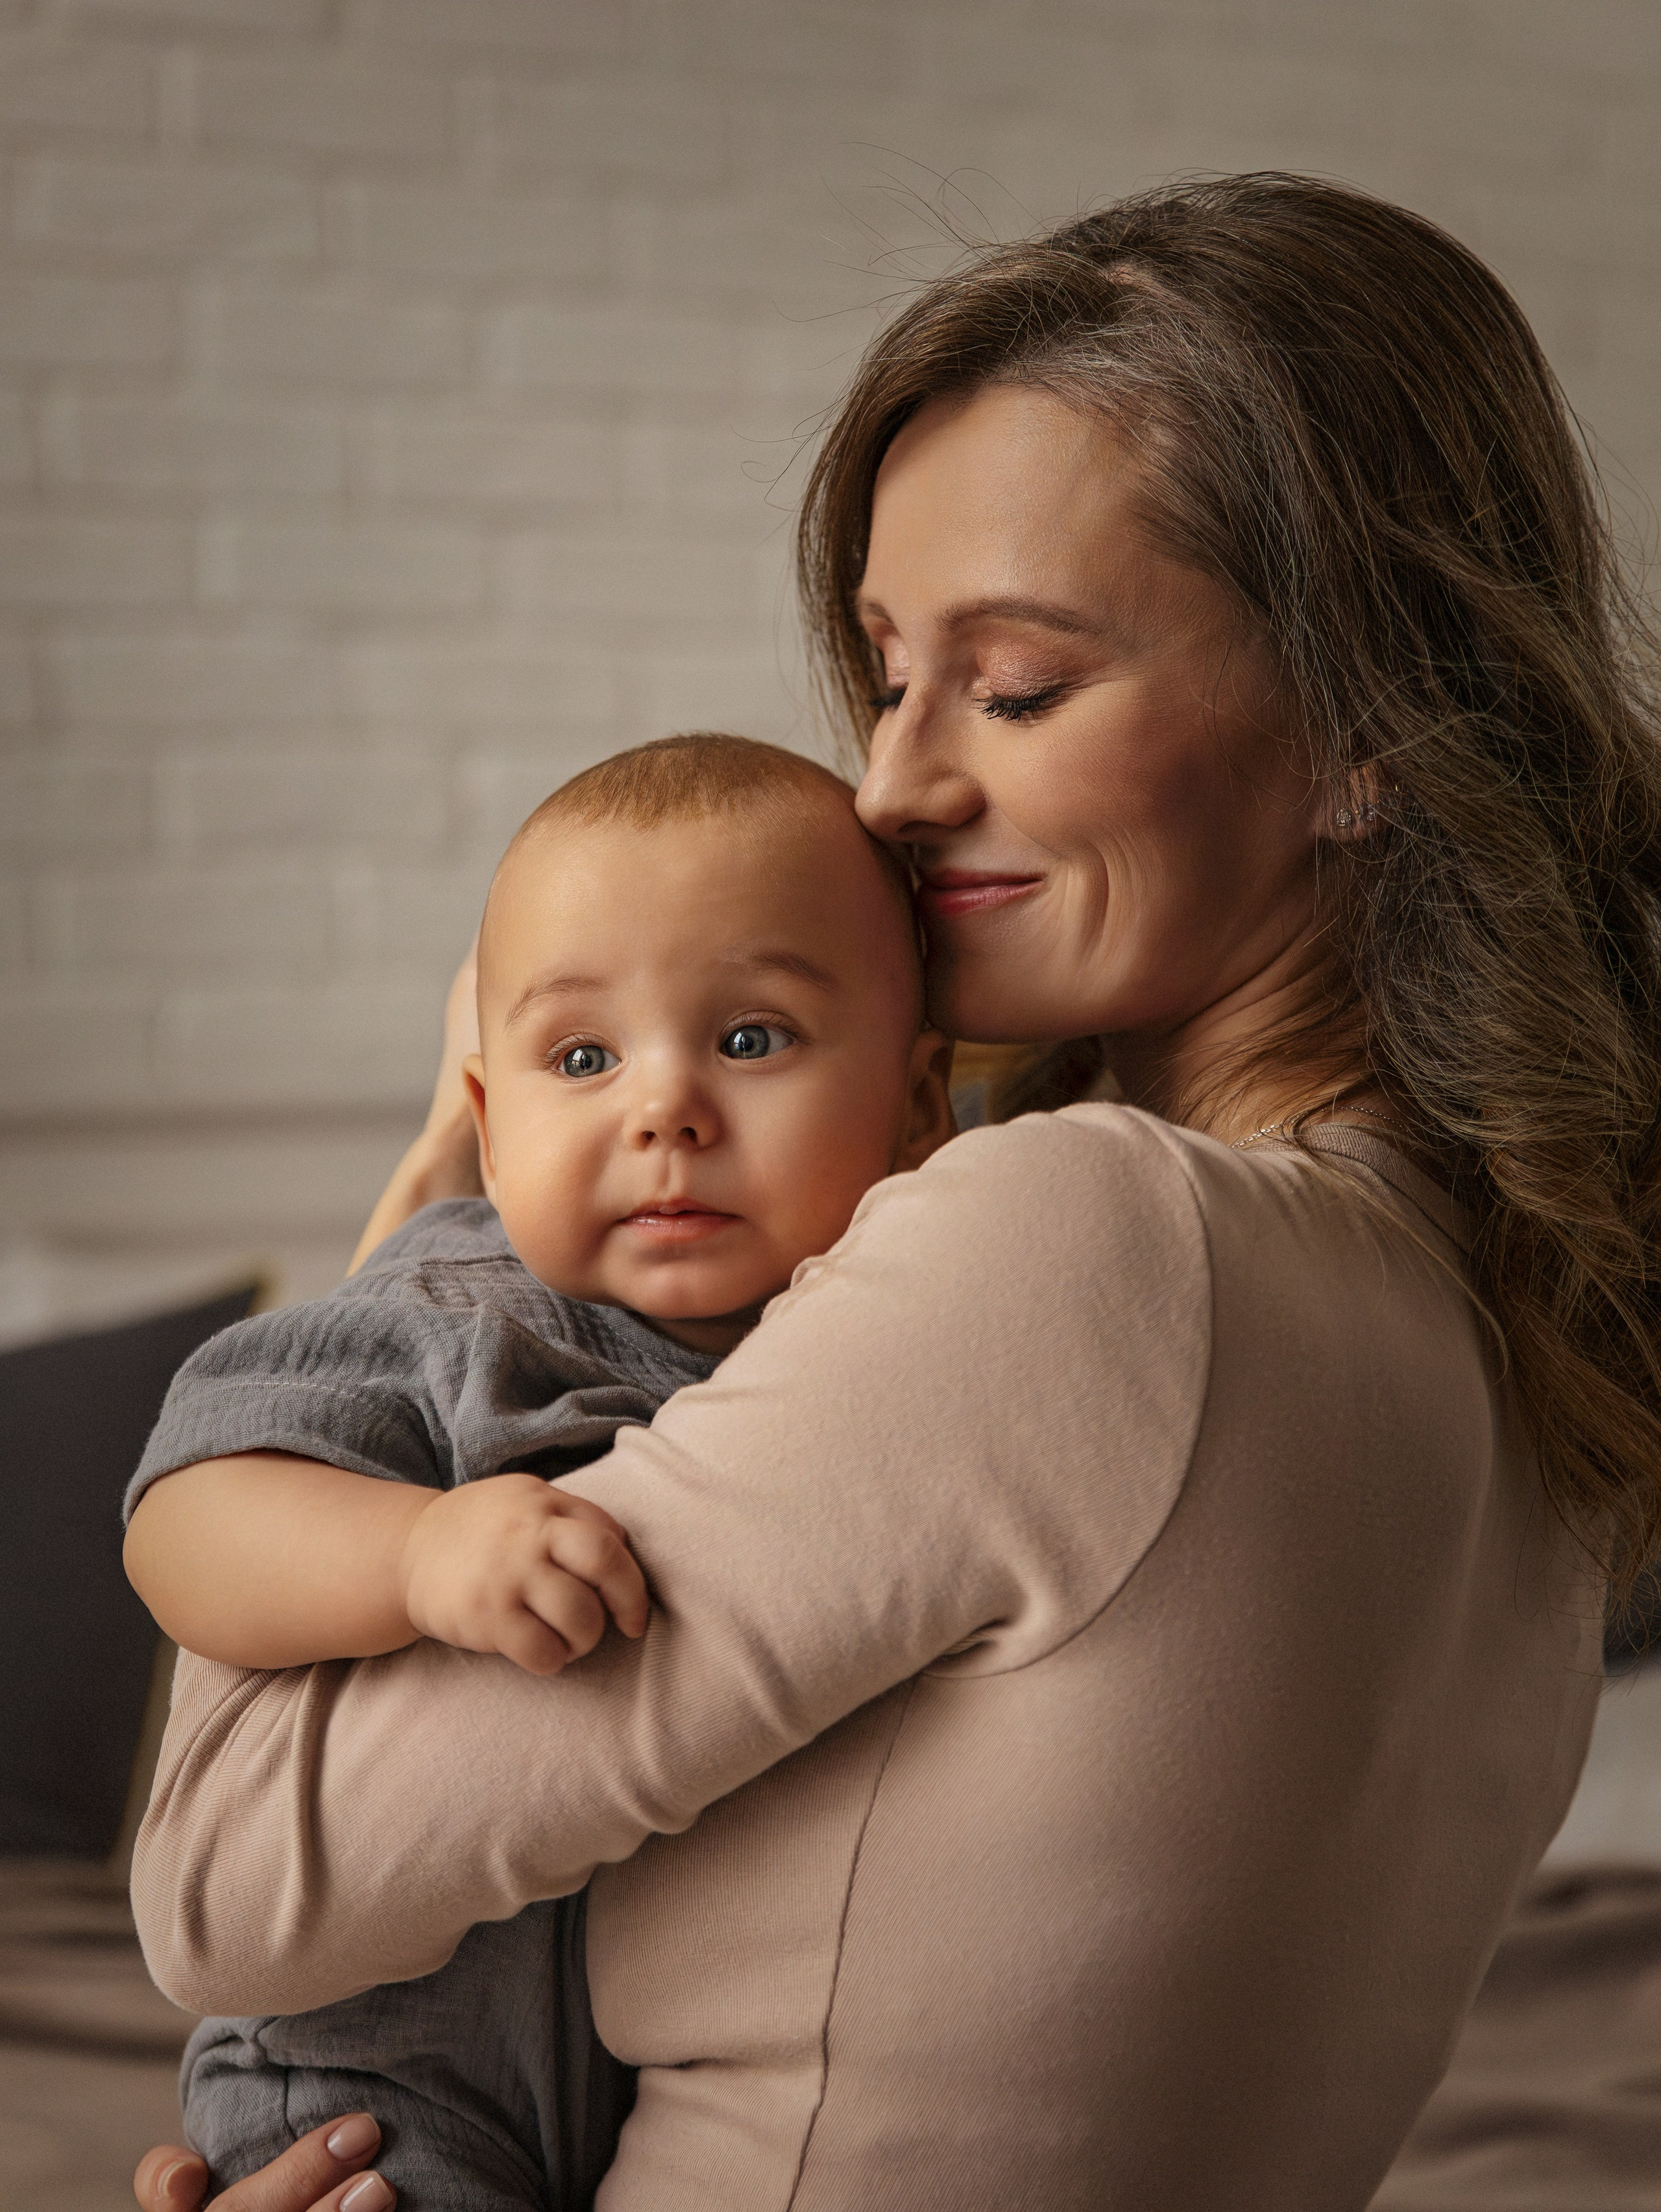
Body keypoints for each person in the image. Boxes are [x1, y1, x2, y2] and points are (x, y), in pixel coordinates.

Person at [130, 173, 1661, 2212]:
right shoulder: (1547, 1351)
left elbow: (225, 1883)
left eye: (1013, 686)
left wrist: (417, 1259)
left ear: (1366, 724)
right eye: (885, 673)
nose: (894, 785)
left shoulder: (1085, 1246)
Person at [122, 733, 954, 2211]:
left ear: (917, 1104)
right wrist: (415, 1550)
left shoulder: (907, 1341)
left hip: (697, 2099)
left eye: (751, 1038)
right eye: (583, 1059)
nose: (664, 1109)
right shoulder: (453, 1305)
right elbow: (186, 1517)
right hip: (385, 2099)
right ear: (491, 1129)